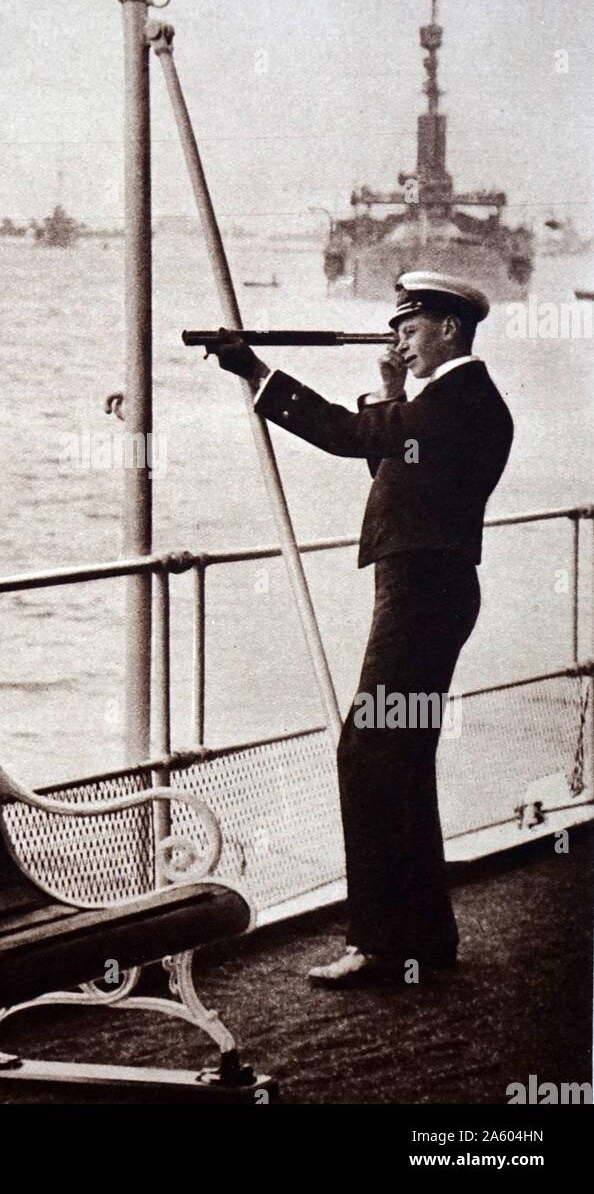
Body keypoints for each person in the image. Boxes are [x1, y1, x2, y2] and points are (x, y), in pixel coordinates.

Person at [207, 271, 514, 987]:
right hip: (428, 588)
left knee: (369, 754)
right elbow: (388, 464)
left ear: (449, 329)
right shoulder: (451, 404)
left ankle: (379, 943)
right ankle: (423, 941)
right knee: (398, 759)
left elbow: (350, 437)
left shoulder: (457, 400)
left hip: (421, 592)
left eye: (410, 329)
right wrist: (390, 389)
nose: (400, 341)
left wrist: (256, 371)